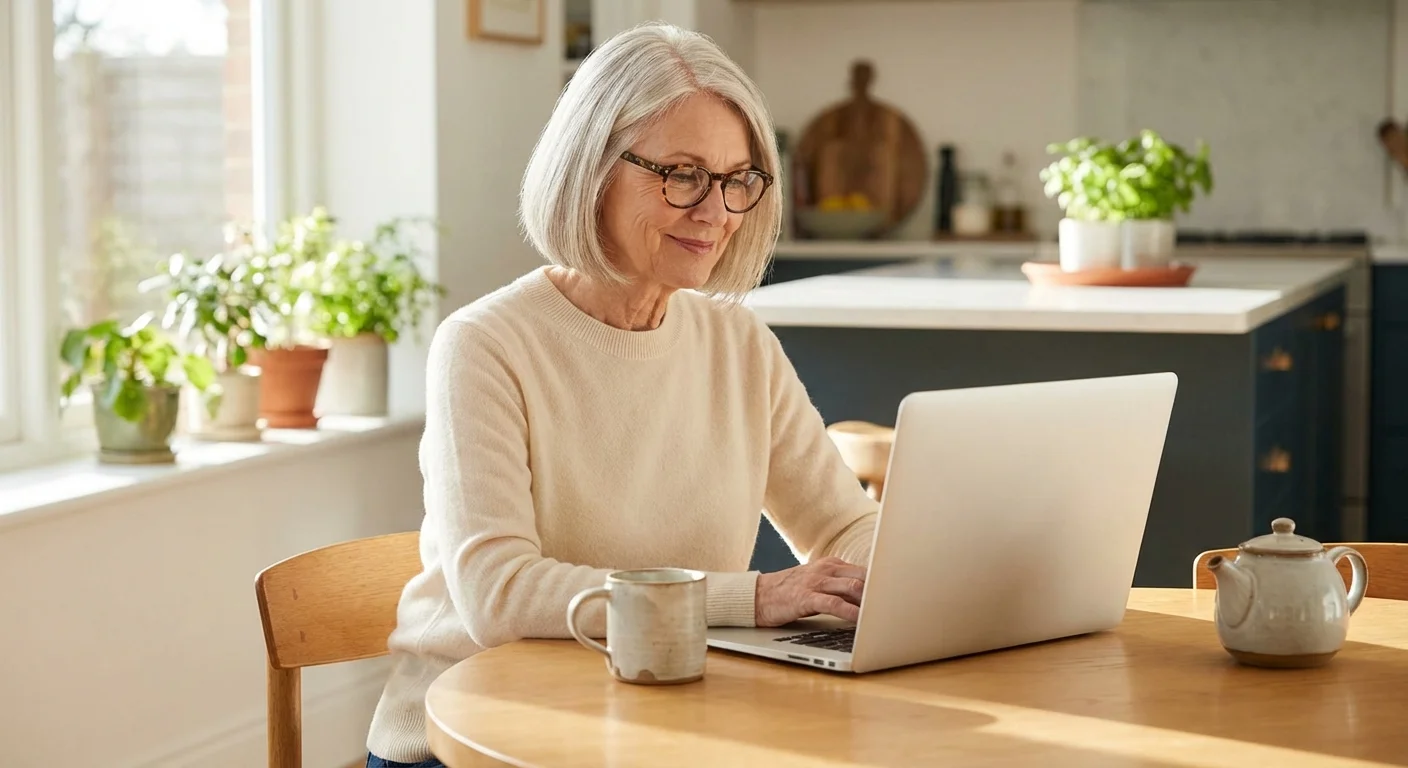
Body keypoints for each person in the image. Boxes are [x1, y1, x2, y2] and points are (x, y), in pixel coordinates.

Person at [365, 22, 878, 768]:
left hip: (662, 721)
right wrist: (753, 598)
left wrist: (932, 571)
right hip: (477, 736)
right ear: (591, 169)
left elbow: (840, 528)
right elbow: (499, 595)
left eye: (736, 179)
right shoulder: (484, 345)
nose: (717, 213)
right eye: (682, 173)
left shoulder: (737, 343)